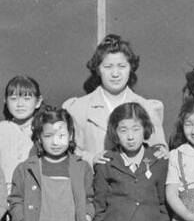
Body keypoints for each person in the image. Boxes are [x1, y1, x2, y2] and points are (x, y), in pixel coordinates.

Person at [8, 103, 93, 221]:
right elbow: (15, 200)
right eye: (48, 136)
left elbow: (91, 199)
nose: (56, 142)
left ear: (70, 136)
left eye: (61, 135)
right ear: (39, 137)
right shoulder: (26, 169)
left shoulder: (81, 168)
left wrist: (86, 220)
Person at [90, 101, 170, 221]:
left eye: (136, 129)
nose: (130, 136)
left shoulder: (157, 160)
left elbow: (163, 204)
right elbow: (100, 207)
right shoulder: (107, 162)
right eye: (123, 130)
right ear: (115, 132)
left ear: (145, 129)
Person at [64, 34, 164, 165]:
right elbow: (69, 151)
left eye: (122, 66)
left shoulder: (146, 107)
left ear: (130, 68)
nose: (115, 74)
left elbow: (159, 150)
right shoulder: (79, 108)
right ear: (98, 69)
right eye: (108, 67)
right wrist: (91, 159)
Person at [0, 75, 41, 187]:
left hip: (36, 190)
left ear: (38, 102)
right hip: (6, 191)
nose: (20, 104)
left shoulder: (43, 129)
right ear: (5, 100)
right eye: (14, 99)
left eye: (27, 99)